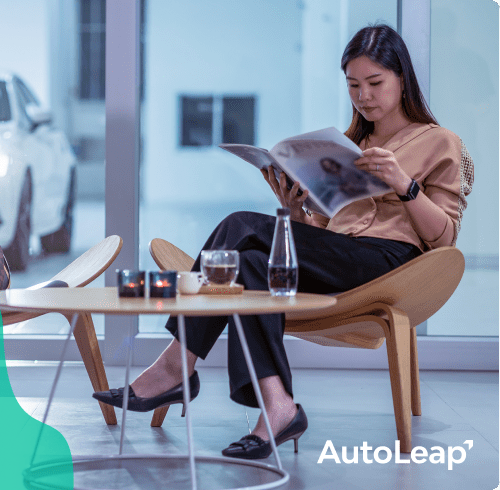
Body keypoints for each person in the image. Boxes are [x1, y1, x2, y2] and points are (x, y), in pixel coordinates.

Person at [93, 24, 474, 460]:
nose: (363, 96)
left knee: (240, 225)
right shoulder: (351, 145)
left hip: (392, 264)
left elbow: (444, 237)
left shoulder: (440, 141)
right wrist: (296, 213)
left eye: (374, 83)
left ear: (402, 79)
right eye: (353, 85)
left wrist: (403, 183)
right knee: (252, 267)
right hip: (342, 257)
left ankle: (175, 366)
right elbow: (332, 231)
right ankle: (279, 407)